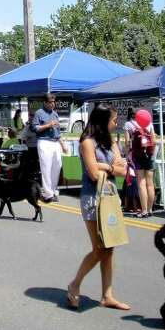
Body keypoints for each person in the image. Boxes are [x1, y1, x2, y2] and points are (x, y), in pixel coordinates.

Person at [66, 105, 131, 312]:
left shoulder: (110, 142)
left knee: (109, 248)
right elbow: (93, 174)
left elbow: (125, 169)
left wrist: (106, 166)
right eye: (113, 120)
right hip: (93, 199)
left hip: (110, 197)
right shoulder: (87, 142)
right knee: (99, 248)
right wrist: (109, 167)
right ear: (103, 121)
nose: (116, 123)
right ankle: (75, 284)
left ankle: (107, 295)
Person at [32, 93, 64, 204]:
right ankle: (49, 193)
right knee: (46, 168)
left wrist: (63, 144)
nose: (52, 104)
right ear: (45, 102)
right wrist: (48, 125)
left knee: (57, 166)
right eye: (50, 102)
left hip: (55, 142)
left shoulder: (55, 114)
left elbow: (58, 132)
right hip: (44, 141)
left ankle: (53, 190)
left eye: (54, 102)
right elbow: (35, 128)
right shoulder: (39, 113)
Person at [131, 113, 156, 218]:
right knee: (150, 183)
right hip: (148, 157)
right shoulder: (150, 125)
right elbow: (154, 141)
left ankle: (144, 210)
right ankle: (150, 209)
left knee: (141, 183)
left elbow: (130, 141)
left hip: (139, 157)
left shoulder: (133, 125)